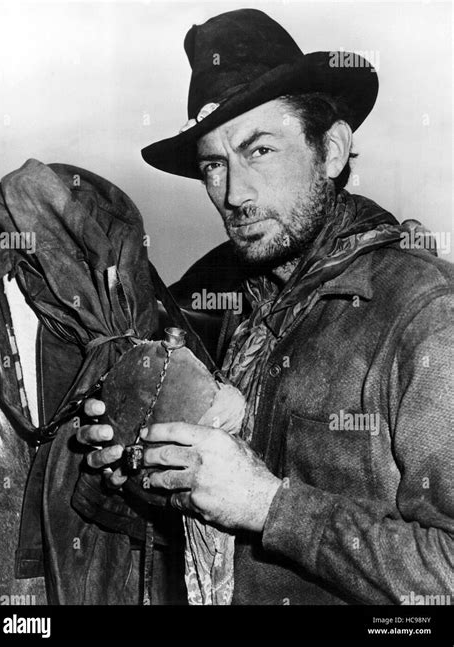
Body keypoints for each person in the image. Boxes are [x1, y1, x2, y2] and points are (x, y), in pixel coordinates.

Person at [77, 9, 454, 604]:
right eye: (213, 165)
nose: (234, 194)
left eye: (259, 152)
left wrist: (267, 504)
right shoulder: (208, 303)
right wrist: (146, 468)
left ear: (330, 151)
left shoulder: (425, 315)